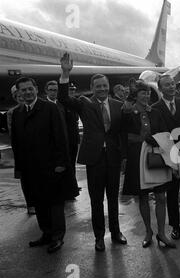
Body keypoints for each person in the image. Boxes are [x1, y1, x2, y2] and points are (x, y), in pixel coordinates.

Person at [58, 53, 128, 252]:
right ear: (92, 88)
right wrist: (65, 73)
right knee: (96, 200)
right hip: (94, 159)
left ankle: (116, 232)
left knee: (113, 198)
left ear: (108, 86)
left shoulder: (118, 105)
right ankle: (99, 237)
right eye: (98, 86)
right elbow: (63, 98)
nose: (102, 89)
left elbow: (123, 131)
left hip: (113, 158)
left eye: (105, 85)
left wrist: (124, 156)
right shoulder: (84, 103)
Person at [11, 77, 77, 254]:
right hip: (30, 168)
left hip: (51, 167)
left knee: (54, 204)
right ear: (18, 93)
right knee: (39, 203)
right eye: (23, 90)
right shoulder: (18, 113)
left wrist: (62, 163)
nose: (27, 92)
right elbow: (16, 142)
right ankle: (46, 234)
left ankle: (57, 237)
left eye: (29, 89)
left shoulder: (50, 108)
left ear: (36, 89)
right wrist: (19, 168)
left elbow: (61, 137)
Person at [122, 80, 176, 248]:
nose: (146, 96)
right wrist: (124, 158)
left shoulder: (155, 112)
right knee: (142, 196)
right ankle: (148, 231)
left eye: (148, 93)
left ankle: (161, 232)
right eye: (142, 93)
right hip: (136, 157)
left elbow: (165, 133)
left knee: (161, 196)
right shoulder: (128, 112)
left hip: (155, 156)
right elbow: (122, 135)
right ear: (135, 95)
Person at [151, 75, 180, 240]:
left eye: (172, 84)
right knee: (171, 192)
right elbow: (156, 132)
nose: (171, 87)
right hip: (168, 155)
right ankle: (175, 226)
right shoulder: (155, 107)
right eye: (167, 85)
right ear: (160, 88)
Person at [7, 85, 36, 215]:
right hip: (22, 151)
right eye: (18, 96)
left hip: (36, 150)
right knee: (26, 179)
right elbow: (13, 133)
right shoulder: (13, 112)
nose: (21, 98)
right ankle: (31, 204)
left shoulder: (33, 108)